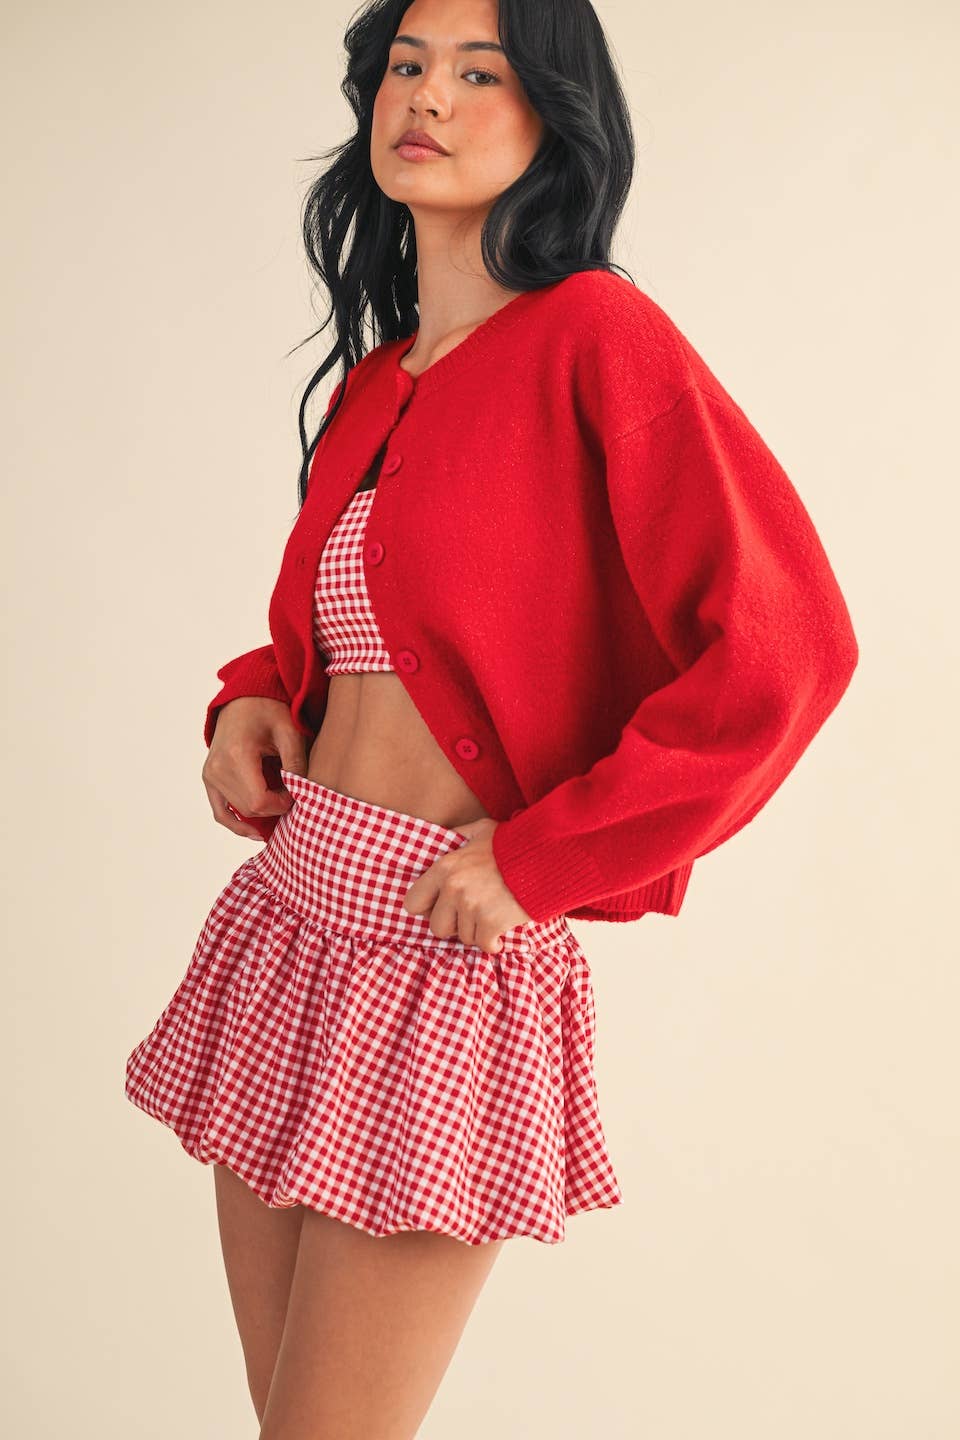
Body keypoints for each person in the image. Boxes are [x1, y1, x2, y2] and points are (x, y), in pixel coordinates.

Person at [124, 1, 859, 1437]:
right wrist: (249, 699)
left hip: (441, 955)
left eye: (480, 72)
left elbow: (790, 650)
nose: (430, 97)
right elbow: (348, 632)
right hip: (292, 921)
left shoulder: (598, 336)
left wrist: (543, 859)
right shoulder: (378, 380)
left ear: (553, 119)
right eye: (408, 66)